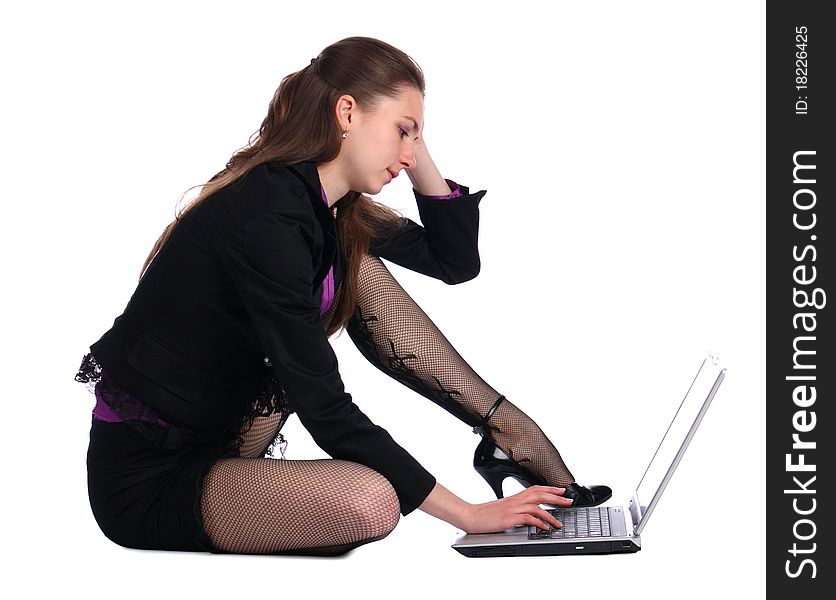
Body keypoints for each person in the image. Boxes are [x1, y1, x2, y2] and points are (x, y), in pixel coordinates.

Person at [76, 36, 611, 556]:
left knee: (357, 262)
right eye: (402, 133)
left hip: (226, 436)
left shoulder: (333, 208)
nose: (409, 156)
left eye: (417, 140)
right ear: (347, 112)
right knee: (372, 503)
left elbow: (455, 263)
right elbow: (324, 408)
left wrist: (414, 137)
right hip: (151, 478)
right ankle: (505, 436)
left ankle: (506, 430)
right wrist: (469, 514)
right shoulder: (267, 215)